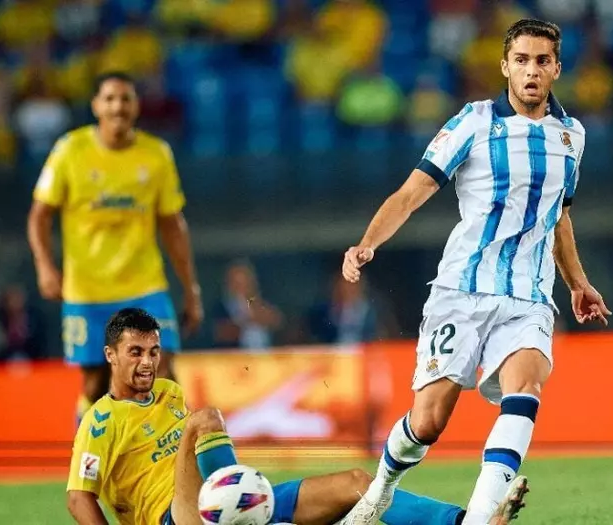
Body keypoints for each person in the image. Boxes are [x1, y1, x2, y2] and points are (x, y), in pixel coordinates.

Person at [340, 18, 610, 525]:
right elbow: (413, 191)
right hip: (462, 289)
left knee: (526, 389)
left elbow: (559, 217)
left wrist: (578, 282)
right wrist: (368, 243)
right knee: (428, 422)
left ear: (557, 68)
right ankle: (380, 489)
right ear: (505, 66)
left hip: (529, 296)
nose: (532, 70)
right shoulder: (474, 122)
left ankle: (482, 516)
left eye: (542, 61)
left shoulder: (572, 136)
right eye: (522, 60)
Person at [66, 308, 527, 525]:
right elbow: (78, 498)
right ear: (110, 355)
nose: (147, 362)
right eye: (135, 352)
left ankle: (465, 523)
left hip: (222, 505)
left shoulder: (169, 392)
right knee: (204, 419)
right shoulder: (100, 422)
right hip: (175, 519)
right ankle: (242, 508)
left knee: (356, 483)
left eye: (153, 351)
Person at [27, 71, 203, 425]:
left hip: (145, 285)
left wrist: (190, 288)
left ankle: (171, 456)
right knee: (95, 384)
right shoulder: (70, 151)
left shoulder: (156, 154)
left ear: (136, 106)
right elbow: (39, 215)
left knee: (163, 372)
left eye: (126, 98)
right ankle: (87, 454)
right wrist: (44, 266)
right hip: (88, 290)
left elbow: (173, 225)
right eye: (109, 98)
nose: (118, 106)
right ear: (95, 105)